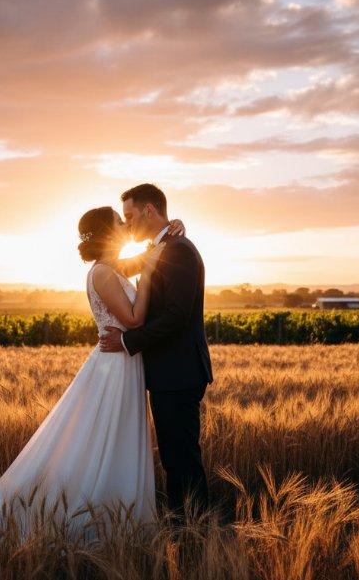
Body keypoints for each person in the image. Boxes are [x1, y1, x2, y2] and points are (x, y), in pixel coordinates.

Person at [0, 206, 185, 548]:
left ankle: (118, 513)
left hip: (122, 365)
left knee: (116, 438)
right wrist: (149, 274)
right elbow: (135, 318)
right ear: (106, 233)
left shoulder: (111, 268)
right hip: (114, 369)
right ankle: (101, 515)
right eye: (119, 221)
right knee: (107, 438)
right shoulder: (102, 273)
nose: (126, 224)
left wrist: (167, 236)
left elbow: (144, 259)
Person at [99, 183, 213, 523]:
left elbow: (176, 316)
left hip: (178, 373)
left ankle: (192, 530)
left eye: (130, 216)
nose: (127, 224)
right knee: (175, 456)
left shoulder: (177, 249)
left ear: (151, 211)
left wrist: (127, 342)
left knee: (181, 458)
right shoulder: (160, 247)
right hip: (170, 373)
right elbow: (113, 268)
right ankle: (186, 526)